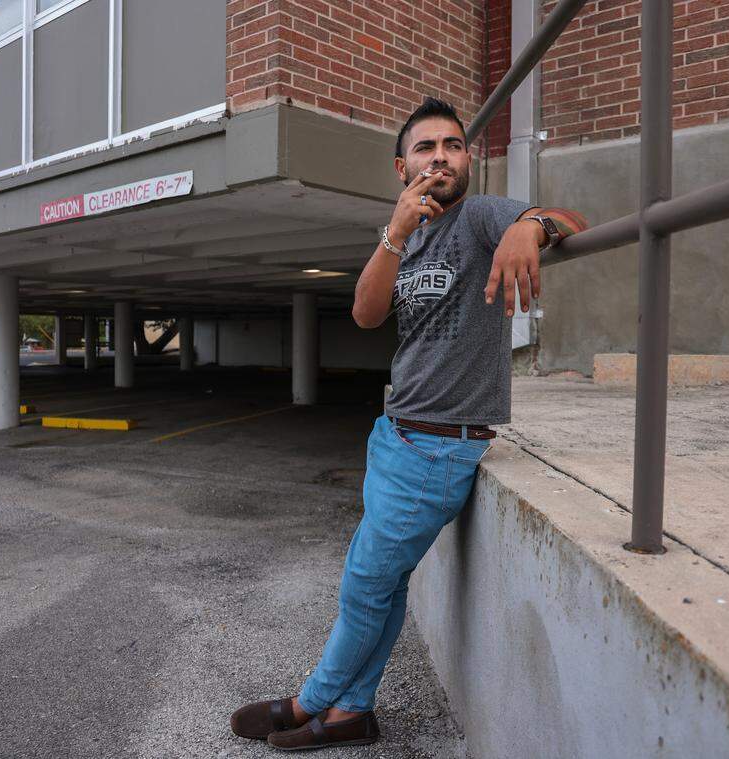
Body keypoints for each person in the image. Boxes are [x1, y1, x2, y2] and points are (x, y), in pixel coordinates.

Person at [230, 97, 588, 751]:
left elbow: (571, 219)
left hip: (439, 445)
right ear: (403, 168)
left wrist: (529, 227)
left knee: (364, 582)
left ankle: (309, 702)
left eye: (453, 145)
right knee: (383, 584)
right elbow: (366, 314)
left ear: (467, 159)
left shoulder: (480, 216)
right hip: (396, 434)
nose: (441, 157)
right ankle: (352, 713)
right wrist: (394, 233)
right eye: (426, 148)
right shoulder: (411, 235)